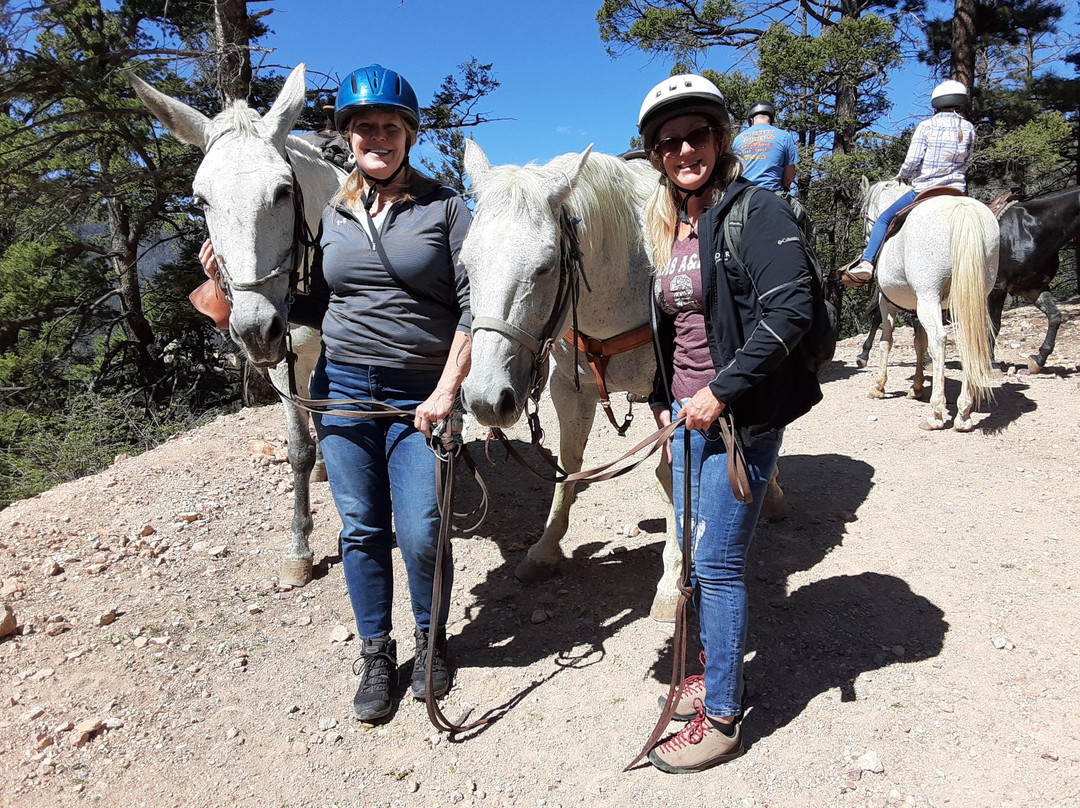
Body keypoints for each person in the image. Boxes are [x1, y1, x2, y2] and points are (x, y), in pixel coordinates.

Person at [203, 64, 472, 722]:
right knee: (359, 529)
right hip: (345, 386)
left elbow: (474, 308)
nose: (376, 136)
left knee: (423, 531)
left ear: (408, 134)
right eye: (363, 127)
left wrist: (446, 390)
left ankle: (432, 641)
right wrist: (229, 287)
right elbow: (313, 302)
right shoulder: (333, 215)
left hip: (422, 393)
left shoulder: (446, 208)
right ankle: (377, 652)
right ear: (347, 137)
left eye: (390, 126)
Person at [638, 74, 821, 774]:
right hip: (685, 416)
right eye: (669, 141)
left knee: (715, 564)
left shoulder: (759, 208)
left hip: (740, 418)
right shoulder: (672, 224)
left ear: (720, 139)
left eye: (697, 135)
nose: (685, 148)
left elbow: (789, 313)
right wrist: (661, 392)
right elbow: (673, 324)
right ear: (656, 156)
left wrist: (720, 392)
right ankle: (711, 669)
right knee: (690, 551)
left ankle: (721, 715)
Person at [842, 79, 975, 286]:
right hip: (956, 191)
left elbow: (913, 159)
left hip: (927, 189)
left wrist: (903, 174)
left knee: (884, 219)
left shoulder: (927, 126)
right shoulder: (968, 128)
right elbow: (966, 163)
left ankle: (867, 263)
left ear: (937, 103)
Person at [732, 101, 798, 194]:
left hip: (743, 197)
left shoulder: (738, 139)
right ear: (771, 118)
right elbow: (789, 176)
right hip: (772, 196)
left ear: (751, 120)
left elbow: (734, 172)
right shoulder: (784, 136)